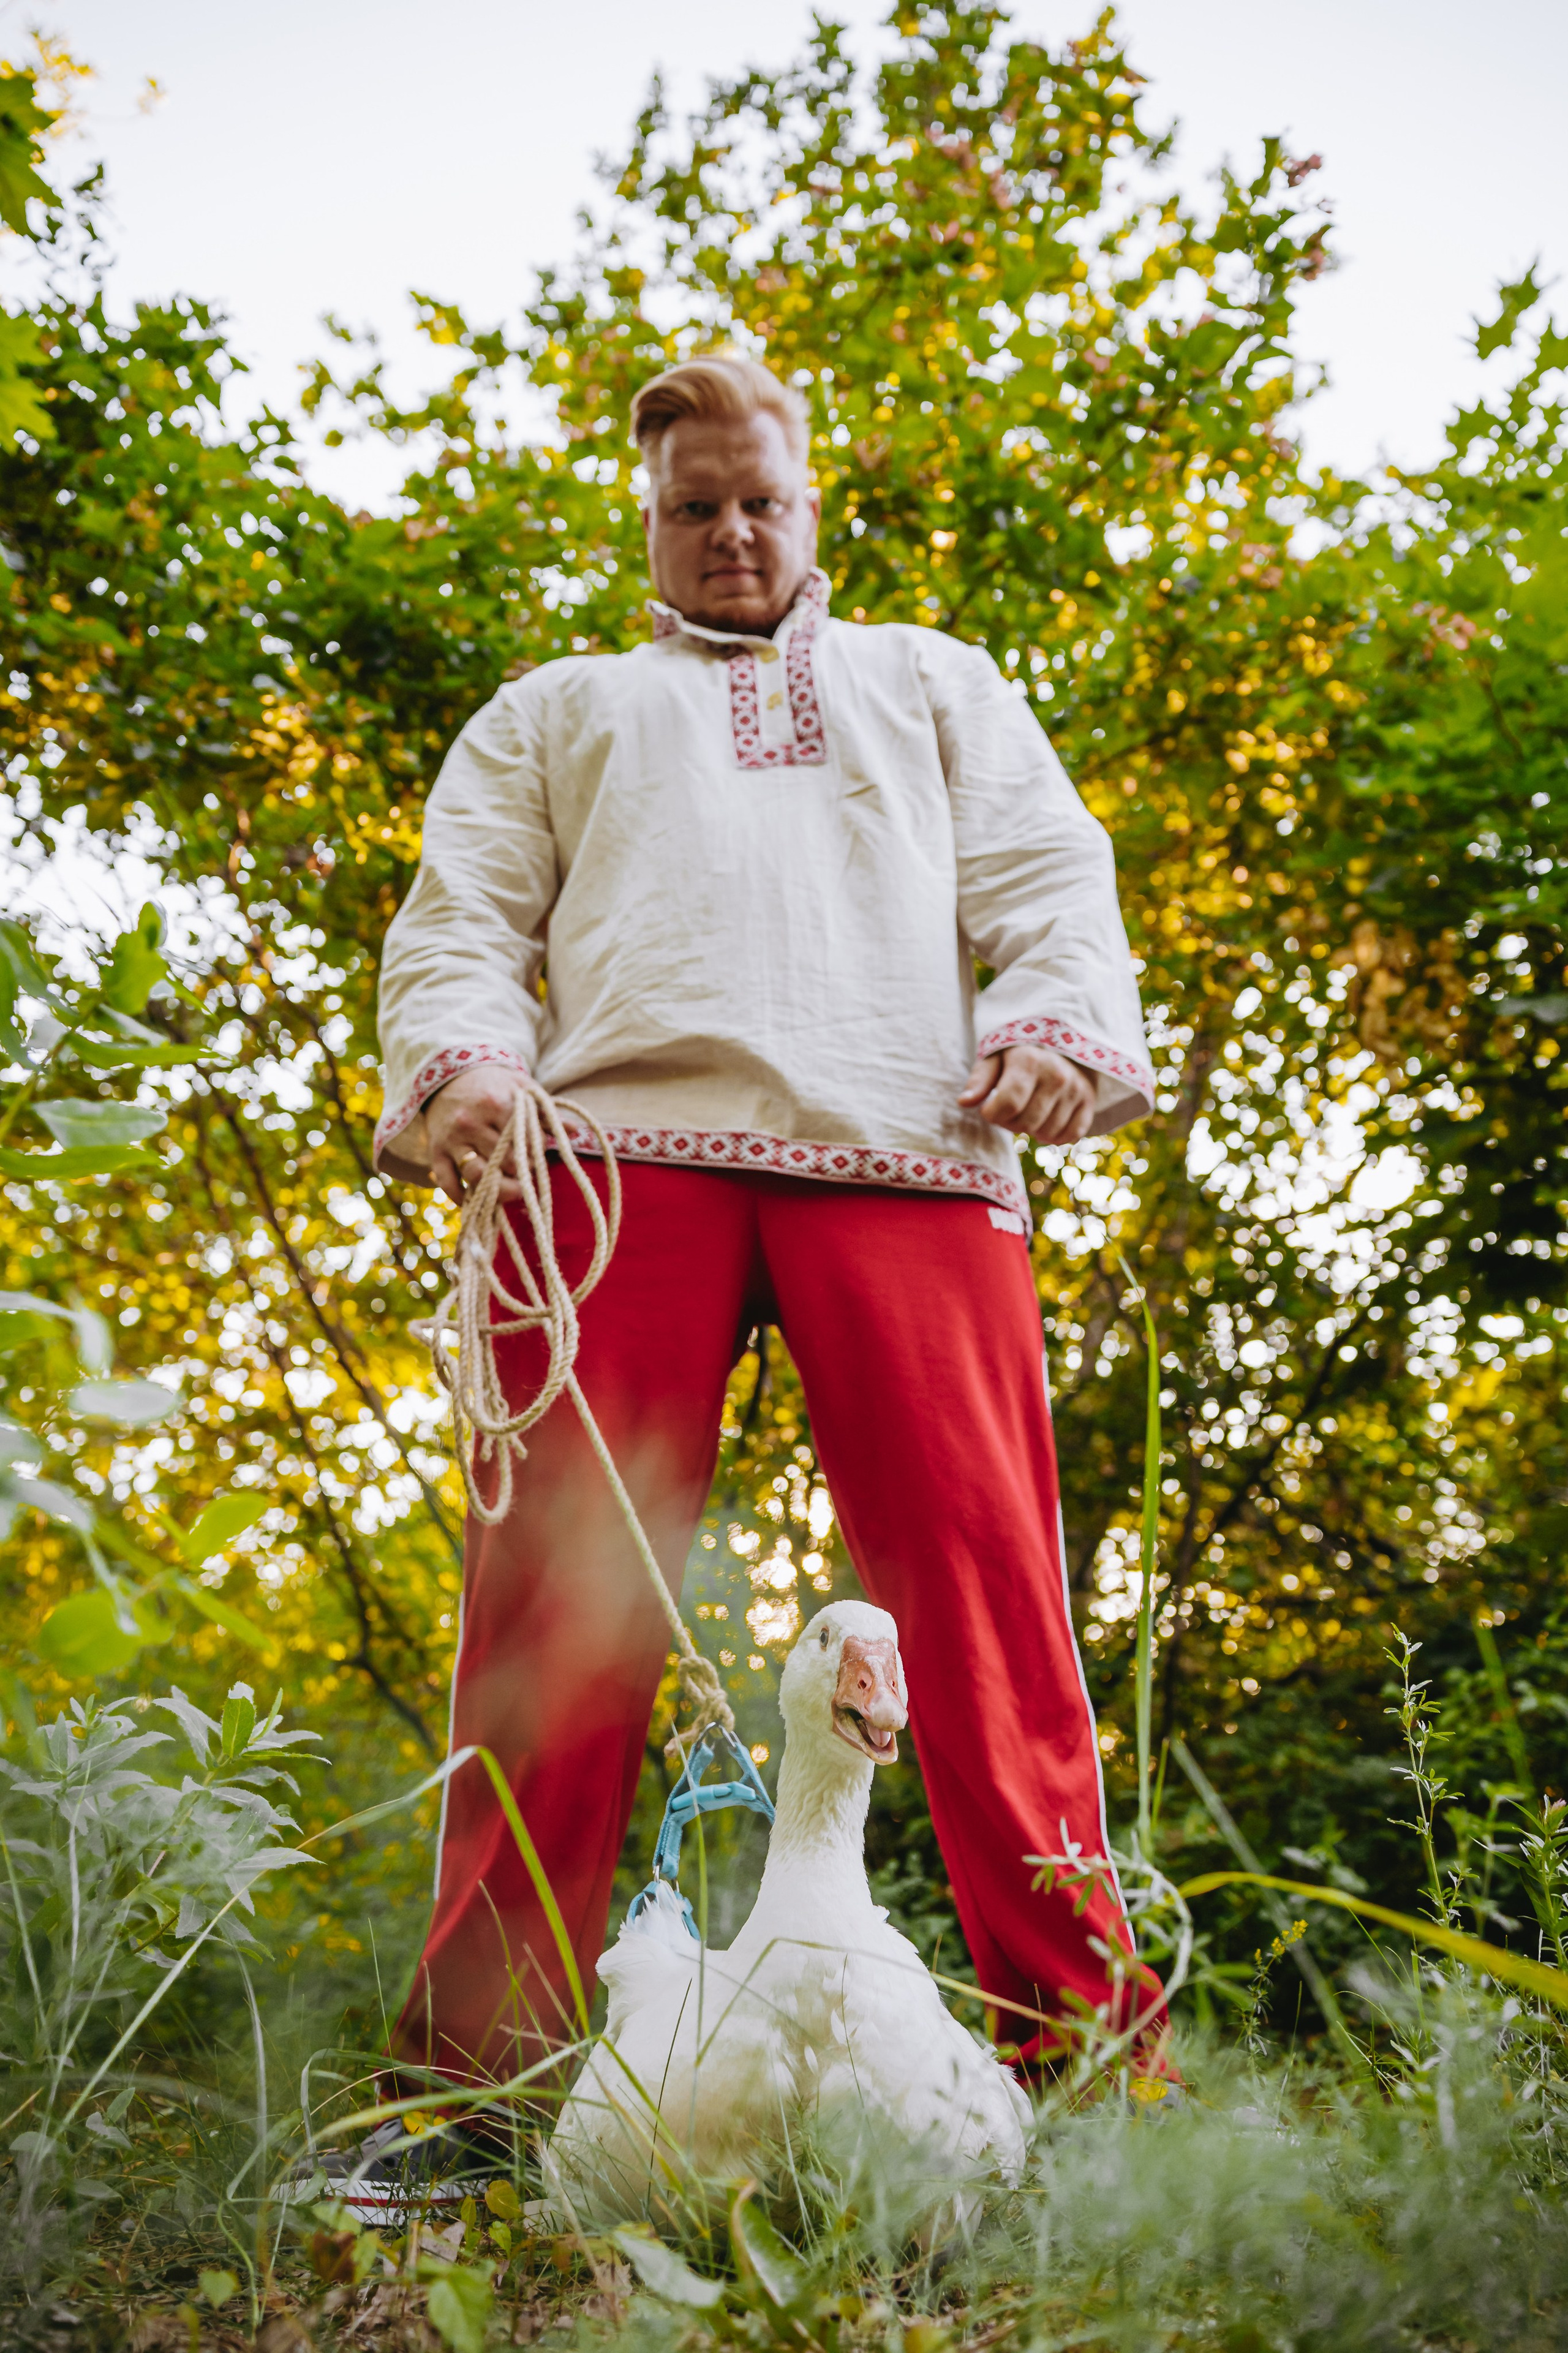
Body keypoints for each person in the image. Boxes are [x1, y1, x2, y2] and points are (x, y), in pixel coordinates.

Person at [372, 355, 1164, 2113]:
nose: (731, 533)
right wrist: (469, 1068)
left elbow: (1052, 881)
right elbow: (460, 921)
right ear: (645, 517)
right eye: (693, 507)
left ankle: (1094, 2068)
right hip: (604, 1161)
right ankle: (468, 2097)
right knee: (553, 1627)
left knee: (985, 1604)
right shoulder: (557, 708)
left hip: (914, 1144)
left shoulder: (932, 684)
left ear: (811, 505)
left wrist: (1047, 1025)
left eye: (761, 503)